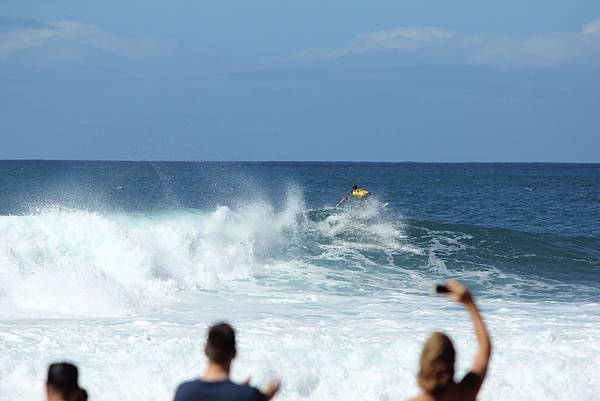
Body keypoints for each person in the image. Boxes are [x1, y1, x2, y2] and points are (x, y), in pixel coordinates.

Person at [408, 281, 492, 401]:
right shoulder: (466, 392)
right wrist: (469, 302)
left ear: (423, 362)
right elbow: (485, 348)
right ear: (453, 360)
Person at [174, 322, 281, 401]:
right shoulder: (248, 395)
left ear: (205, 350)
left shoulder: (184, 392)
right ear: (234, 353)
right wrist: (265, 398)